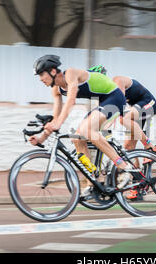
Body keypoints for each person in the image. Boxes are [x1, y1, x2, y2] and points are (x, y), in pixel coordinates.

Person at [28, 55, 137, 197]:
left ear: (53, 71)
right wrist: (41, 139)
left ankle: (125, 168)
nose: (41, 79)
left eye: (42, 74)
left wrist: (58, 123)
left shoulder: (71, 74)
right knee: (77, 138)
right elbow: (56, 118)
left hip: (115, 97)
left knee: (86, 130)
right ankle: (93, 184)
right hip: (103, 102)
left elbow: (71, 99)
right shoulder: (56, 90)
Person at [88, 65, 156, 200]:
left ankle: (149, 146)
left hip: (148, 103)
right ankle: (138, 187)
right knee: (129, 148)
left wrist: (107, 123)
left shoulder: (117, 81)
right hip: (136, 110)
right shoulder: (104, 94)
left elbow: (119, 106)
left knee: (123, 118)